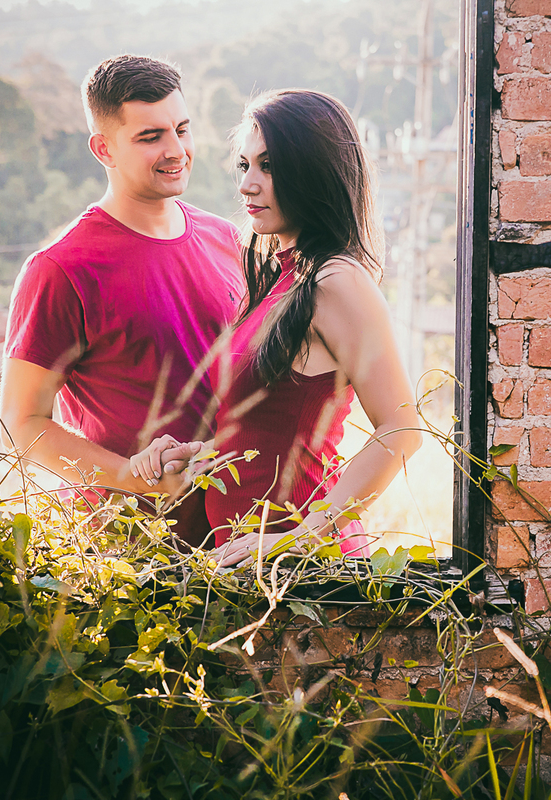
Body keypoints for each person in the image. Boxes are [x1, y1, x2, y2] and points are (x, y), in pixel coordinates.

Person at [132, 89, 421, 566]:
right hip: (250, 568)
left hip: (304, 574)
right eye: (244, 166)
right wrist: (203, 455)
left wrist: (300, 539)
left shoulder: (336, 280)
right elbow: (277, 429)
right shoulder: (281, 280)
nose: (248, 184)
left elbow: (402, 428)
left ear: (314, 171)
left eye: (269, 166)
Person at [0, 55, 245, 544]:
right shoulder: (60, 268)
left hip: (242, 541)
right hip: (132, 558)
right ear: (103, 148)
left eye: (181, 128)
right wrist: (134, 477)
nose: (176, 150)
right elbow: (23, 425)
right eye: (150, 137)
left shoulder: (230, 240)